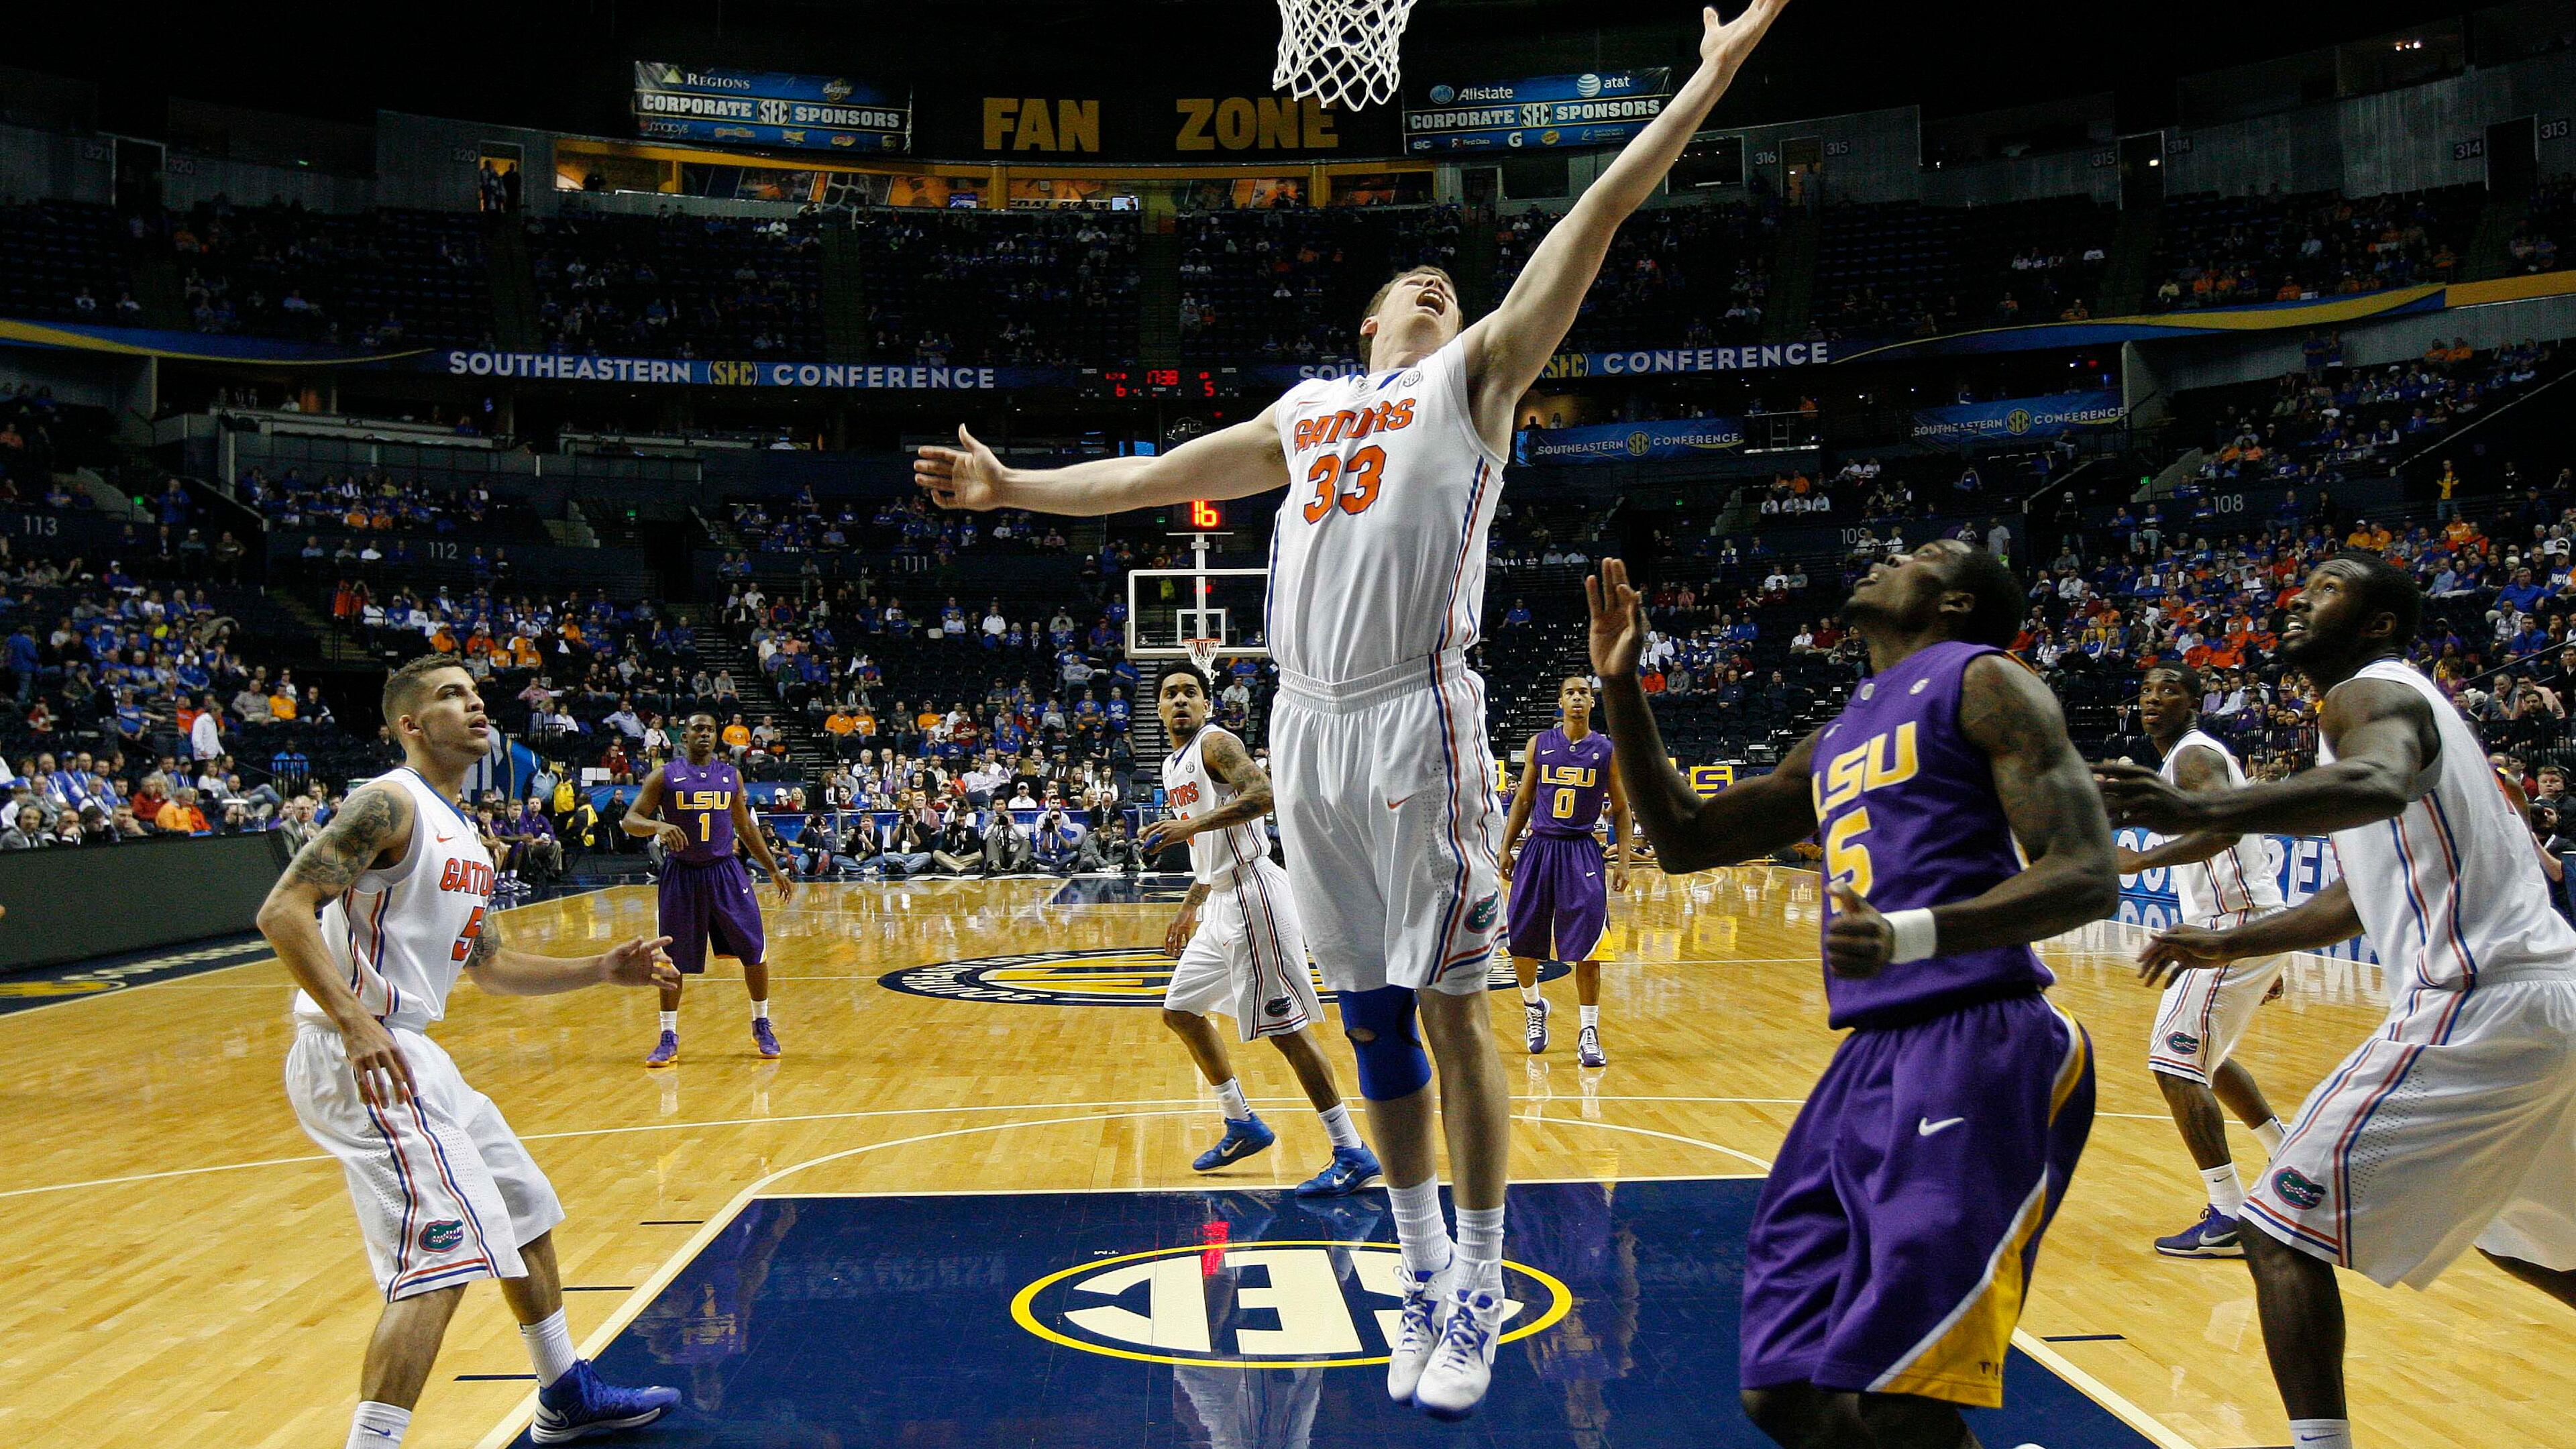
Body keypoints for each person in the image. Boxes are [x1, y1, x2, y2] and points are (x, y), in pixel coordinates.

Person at [913, 0, 1792, 1417]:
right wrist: (1014, 488)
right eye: (1416, 281)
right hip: (1305, 731)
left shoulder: (1478, 376)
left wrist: (1708, 81)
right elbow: (1144, 477)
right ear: (1365, 322)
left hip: (1417, 717)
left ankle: (1487, 1284)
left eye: (1454, 279)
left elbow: (1604, 215)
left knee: (1454, 1014)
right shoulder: (1309, 407)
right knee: (1374, 1017)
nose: (1440, 284)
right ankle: (1420, 1268)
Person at [1590, 545, 2114, 1448]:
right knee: (1784, 1389)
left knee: (1903, 1395)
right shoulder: (1837, 734)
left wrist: (1914, 935)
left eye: (1919, 558)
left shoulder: (1986, 683)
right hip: (1871, 1058)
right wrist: (1620, 686)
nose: (1882, 559)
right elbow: (1681, 839)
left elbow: (2089, 874)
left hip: (1980, 1036)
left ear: (1952, 603)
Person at [2098, 553, 2576, 1449]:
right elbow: (2355, 899)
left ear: (2379, 624)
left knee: (2276, 1231)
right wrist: (2229, 941)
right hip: (2554, 1001)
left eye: (2325, 589)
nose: (2295, 600)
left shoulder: (2367, 695)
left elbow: (2378, 780)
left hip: (2478, 1001)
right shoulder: (2391, 714)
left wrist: (2198, 810)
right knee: (2523, 1239)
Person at [258, 654, 684, 1449]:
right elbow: (283, 910)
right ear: (411, 726)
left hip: (411, 1051)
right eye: (452, 697)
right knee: (441, 1260)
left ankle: (564, 1392)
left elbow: (488, 968)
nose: (476, 706)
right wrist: (355, 1021)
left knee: (525, 1206)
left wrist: (600, 969)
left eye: (478, 695)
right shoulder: (387, 803)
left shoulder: (469, 837)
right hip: (361, 1052)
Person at [1139, 664, 1383, 1196]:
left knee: (1286, 1029)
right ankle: (1242, 1121)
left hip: (1255, 897)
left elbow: (1263, 795)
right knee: (1179, 1010)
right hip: (1220, 901)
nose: (1181, 700)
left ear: (1206, 704)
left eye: (1191, 692)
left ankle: (1351, 1150)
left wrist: (1190, 827)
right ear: (1158, 710)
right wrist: (1190, 904)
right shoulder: (1172, 763)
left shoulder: (1216, 744)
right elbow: (1210, 847)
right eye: (1170, 694)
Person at [2111, 663, 2292, 1260]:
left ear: (2195, 700)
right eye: (2146, 691)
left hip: (2232, 923)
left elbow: (2226, 829)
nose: (2154, 699)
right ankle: (2287, 1154)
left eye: (2169, 689)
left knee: (2174, 1063)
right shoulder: (2180, 762)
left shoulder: (2193, 756)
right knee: (2205, 1058)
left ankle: (2229, 1214)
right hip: (2245, 922)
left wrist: (2139, 861)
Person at [620, 713, 795, 1067]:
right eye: (697, 729)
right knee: (671, 957)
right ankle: (668, 1035)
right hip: (682, 875)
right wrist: (658, 825)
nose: (704, 735)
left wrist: (773, 869)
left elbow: (744, 825)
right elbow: (630, 820)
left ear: (718, 737)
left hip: (725, 873)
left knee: (754, 948)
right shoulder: (664, 776)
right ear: (684, 736)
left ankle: (761, 1022)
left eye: (710, 730)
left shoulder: (731, 775)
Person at [1497, 676, 1631, 1067]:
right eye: (1570, 693)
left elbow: (1621, 809)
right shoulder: (1540, 744)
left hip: (1581, 853)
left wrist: (1623, 859)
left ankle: (1588, 1031)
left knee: (1589, 947)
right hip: (1539, 848)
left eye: (1584, 693)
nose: (1577, 698)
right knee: (1521, 941)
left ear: (1592, 703)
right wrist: (1506, 846)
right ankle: (1534, 1006)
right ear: (1560, 702)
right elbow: (1523, 798)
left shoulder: (1606, 750)